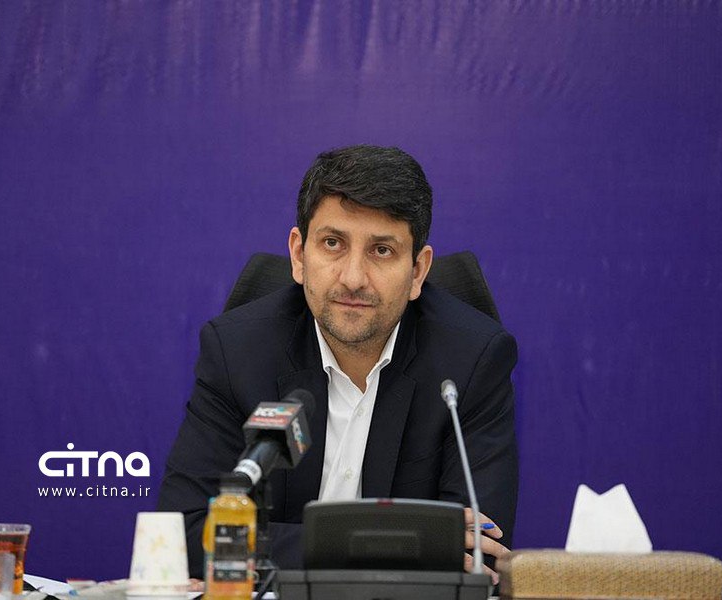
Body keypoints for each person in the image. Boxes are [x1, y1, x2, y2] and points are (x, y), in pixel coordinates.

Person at [158, 145, 518, 583]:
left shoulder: (472, 362)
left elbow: (479, 550)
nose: (352, 278)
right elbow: (186, 533)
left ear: (418, 272)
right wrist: (393, 547)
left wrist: (317, 547)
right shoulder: (237, 351)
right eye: (333, 244)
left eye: (381, 250)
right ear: (299, 255)